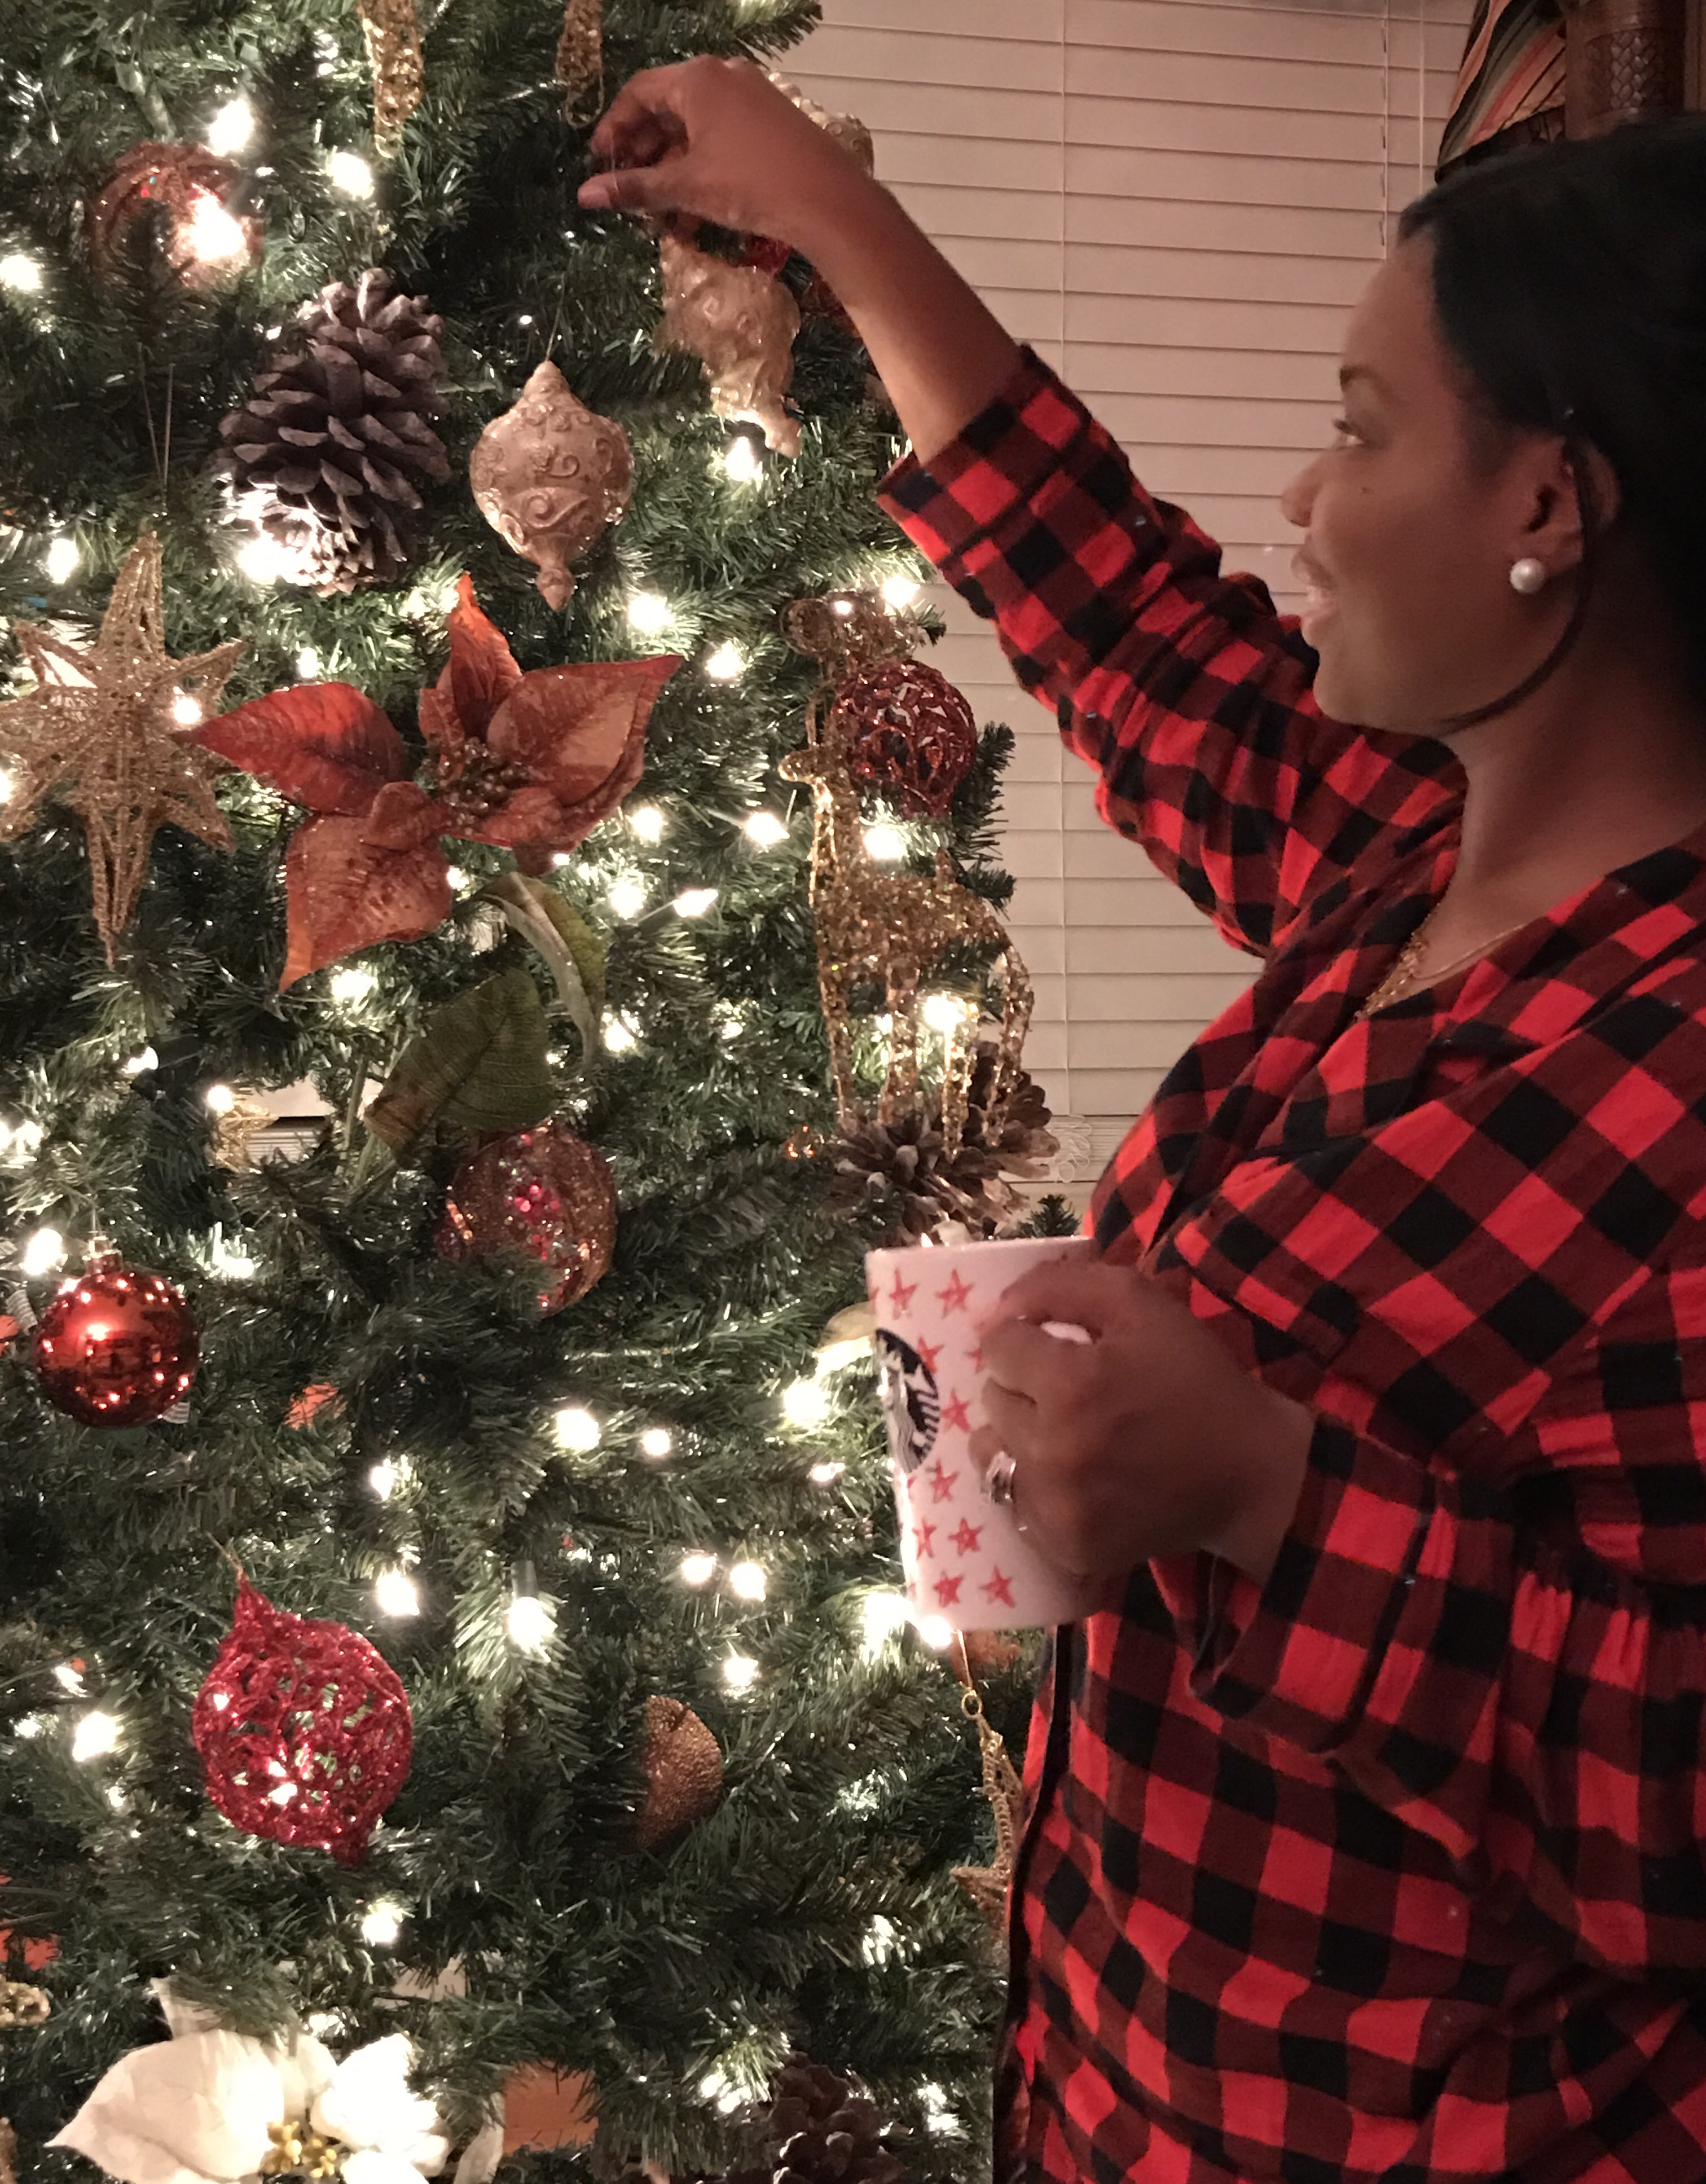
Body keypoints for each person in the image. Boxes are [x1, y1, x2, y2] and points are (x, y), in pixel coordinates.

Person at [581, 65, 1706, 2184]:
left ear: (1551, 506)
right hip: (1111, 2088)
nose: (1305, 497)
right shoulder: (1403, 856)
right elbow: (1128, 622)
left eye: (1362, 428)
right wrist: (834, 216)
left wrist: (1275, 1498)